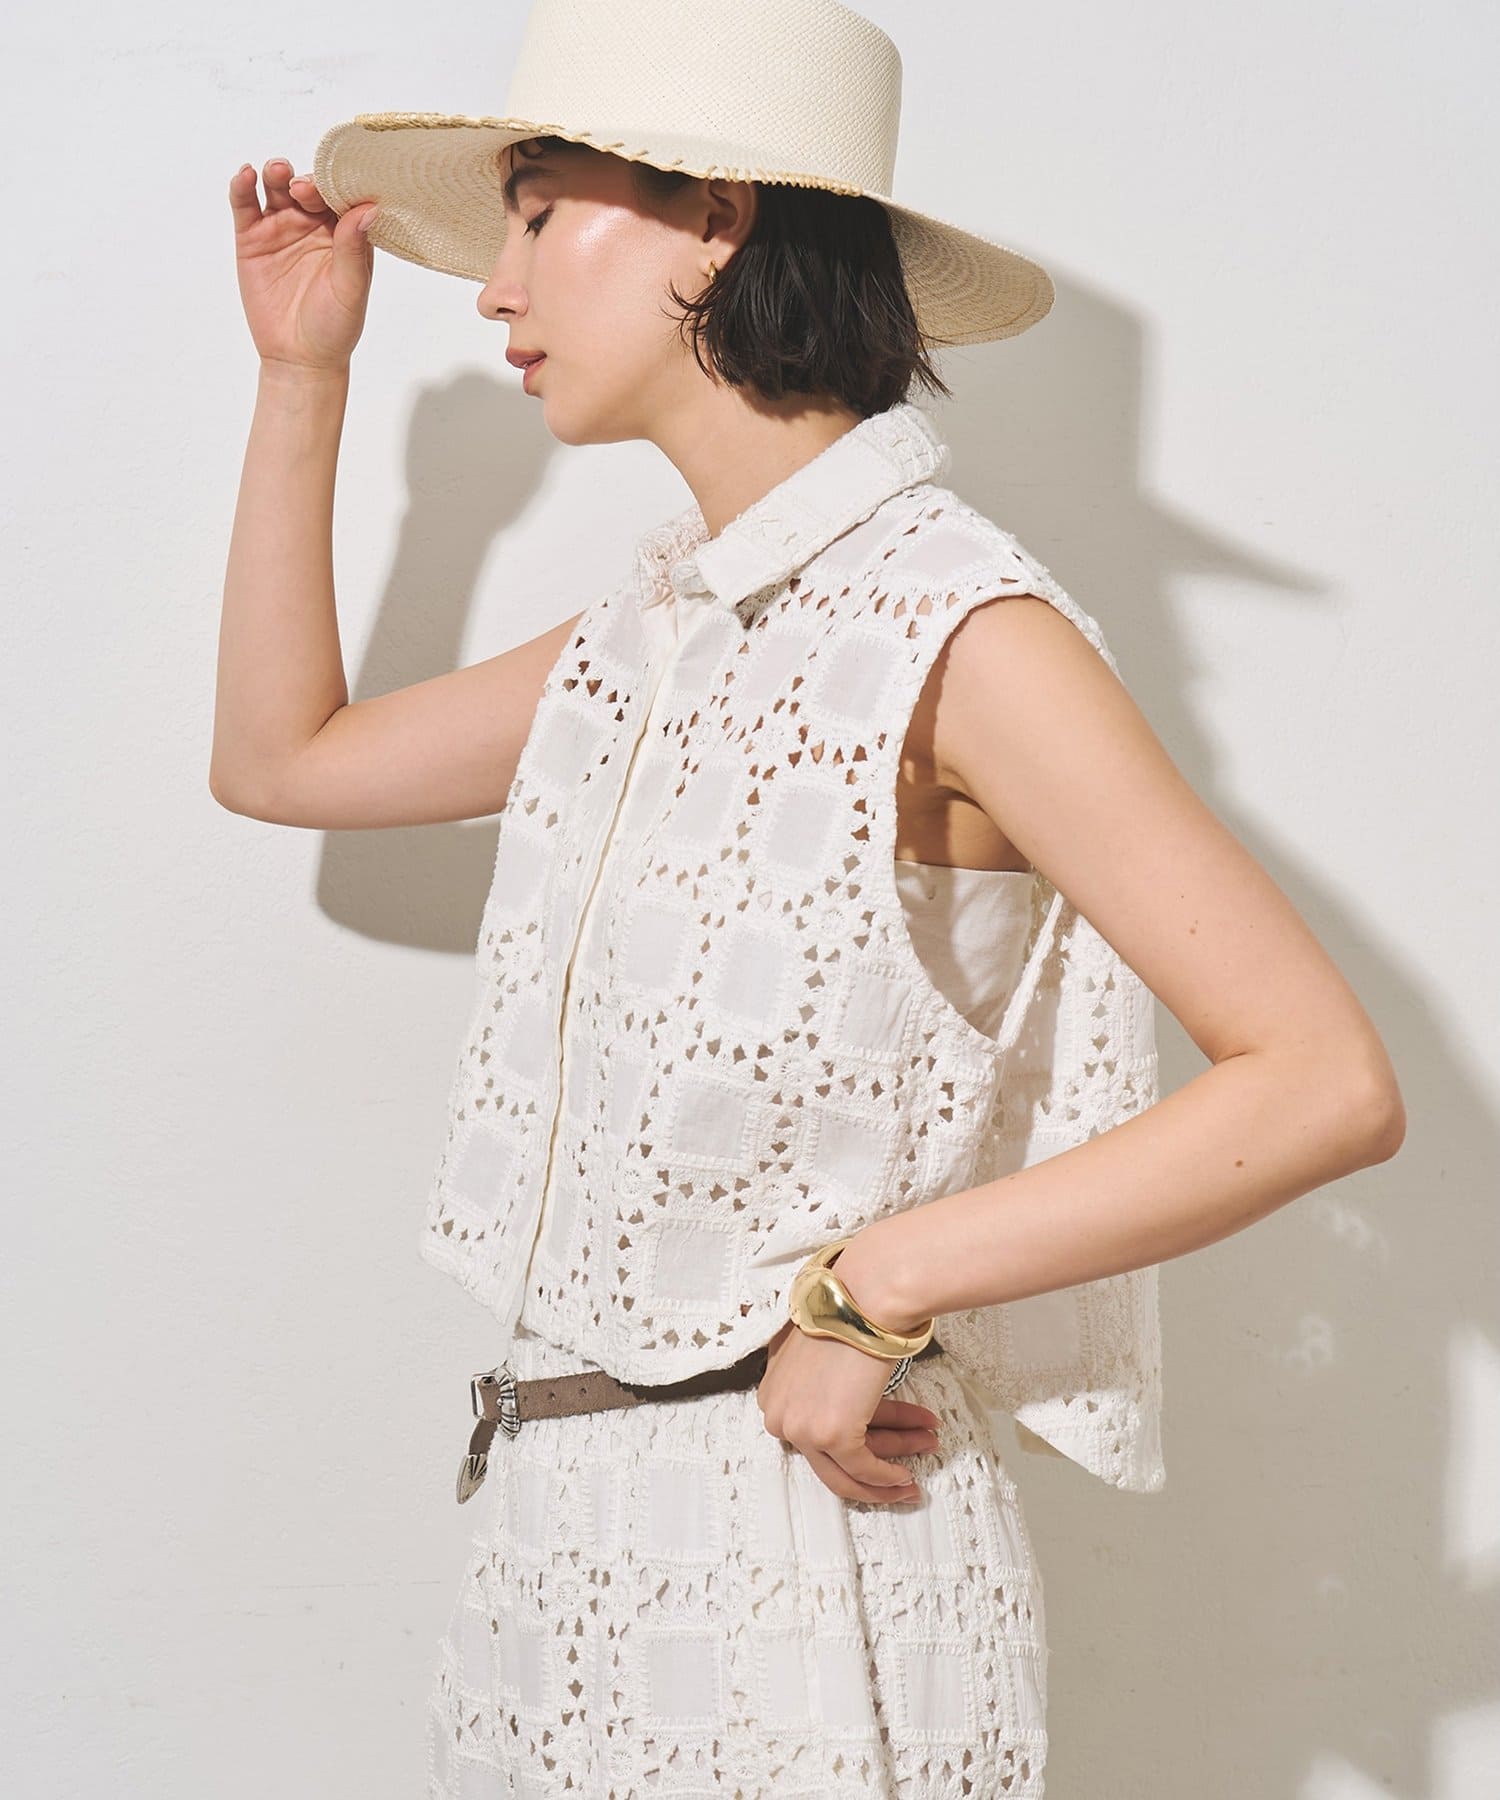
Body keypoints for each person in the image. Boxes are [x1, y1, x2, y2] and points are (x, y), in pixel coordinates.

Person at [215, 3, 1406, 1793]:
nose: (494, 289)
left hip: (806, 1560)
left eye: (539, 213)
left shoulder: (961, 631)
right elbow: (282, 761)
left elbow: (1323, 1080)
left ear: (716, 220)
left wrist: (880, 1282)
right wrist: (301, 382)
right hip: (557, 1550)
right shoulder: (658, 636)